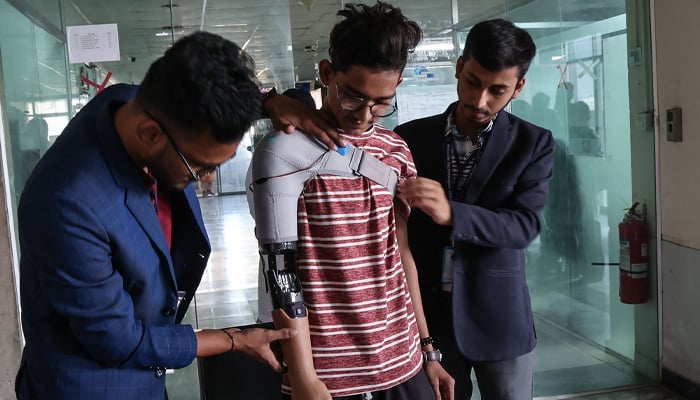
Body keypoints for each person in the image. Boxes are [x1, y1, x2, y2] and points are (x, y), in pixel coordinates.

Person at [15, 31, 301, 400]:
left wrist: (274, 102)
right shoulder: (66, 203)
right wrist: (232, 340)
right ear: (150, 134)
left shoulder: (132, 103)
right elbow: (120, 341)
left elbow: (202, 87)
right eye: (198, 166)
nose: (206, 178)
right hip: (93, 387)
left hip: (144, 382)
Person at [248, 2, 454, 399]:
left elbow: (401, 255)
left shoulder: (395, 150)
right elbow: (281, 275)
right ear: (327, 74)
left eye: (381, 103)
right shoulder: (283, 150)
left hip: (403, 359)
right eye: (353, 98)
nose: (365, 114)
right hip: (328, 372)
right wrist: (304, 375)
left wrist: (428, 349)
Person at [395, 19, 555, 400]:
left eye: (497, 90)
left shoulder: (533, 144)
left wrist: (452, 214)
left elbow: (524, 226)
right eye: (472, 82)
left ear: (518, 87)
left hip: (500, 317)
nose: (480, 100)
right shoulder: (410, 138)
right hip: (430, 319)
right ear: (459, 67)